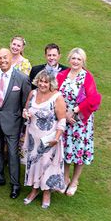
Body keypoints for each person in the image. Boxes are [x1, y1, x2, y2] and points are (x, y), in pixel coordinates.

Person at [56, 47, 101, 197]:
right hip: (65, 118)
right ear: (69, 59)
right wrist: (64, 114)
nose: (75, 61)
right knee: (67, 150)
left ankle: (75, 181)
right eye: (73, 58)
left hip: (80, 121)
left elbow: (93, 98)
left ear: (83, 61)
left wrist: (75, 111)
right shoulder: (62, 75)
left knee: (79, 151)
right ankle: (65, 177)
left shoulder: (87, 76)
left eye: (79, 59)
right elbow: (56, 95)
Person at [0, 48, 31, 199]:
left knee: (12, 154)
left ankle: (15, 184)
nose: (2, 60)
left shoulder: (22, 78)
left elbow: (25, 103)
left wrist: (22, 124)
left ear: (11, 58)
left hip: (13, 122)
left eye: (5, 57)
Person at [22, 70, 67, 209]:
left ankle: (46, 193)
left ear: (51, 83)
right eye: (40, 81)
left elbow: (62, 120)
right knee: (34, 163)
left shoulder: (57, 97)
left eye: (46, 82)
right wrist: (25, 113)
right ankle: (34, 190)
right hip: (33, 137)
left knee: (47, 164)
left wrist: (57, 138)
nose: (42, 84)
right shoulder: (33, 93)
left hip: (49, 139)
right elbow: (26, 108)